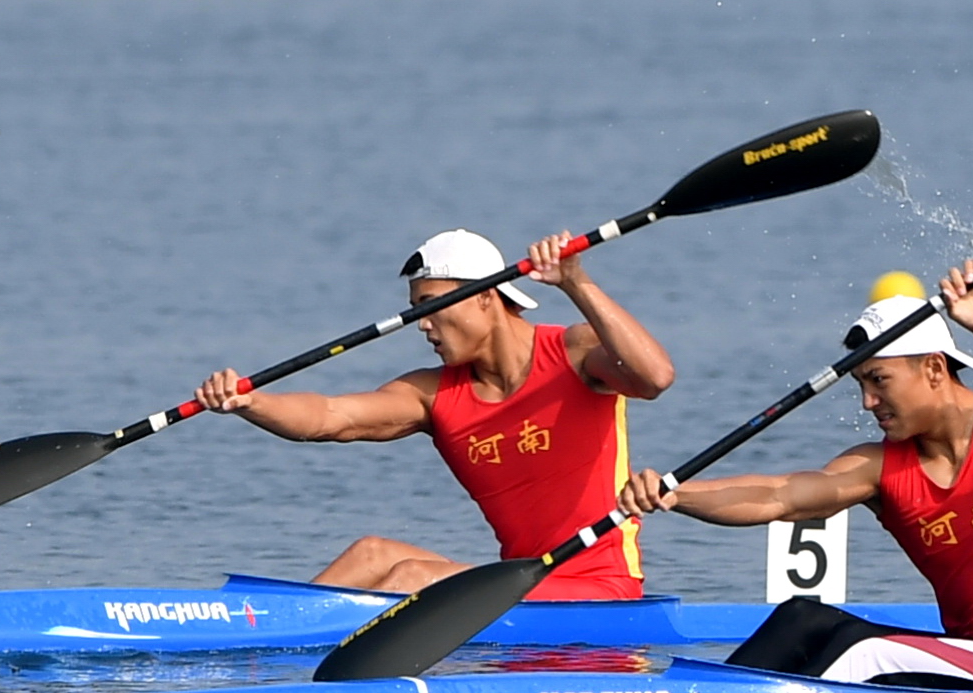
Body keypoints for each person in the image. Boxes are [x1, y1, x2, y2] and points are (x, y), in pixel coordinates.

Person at [613, 270, 973, 688]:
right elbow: (780, 497)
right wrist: (674, 494)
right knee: (803, 619)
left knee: (868, 653)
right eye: (861, 384)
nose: (867, 402)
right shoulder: (880, 467)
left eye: (879, 381)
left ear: (935, 368)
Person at [197, 230, 675, 597]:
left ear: (487, 296)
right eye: (415, 310)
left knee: (411, 576)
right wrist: (251, 401)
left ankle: (334, 677)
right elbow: (329, 416)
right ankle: (270, 639)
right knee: (371, 554)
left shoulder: (573, 352)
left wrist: (576, 281)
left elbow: (654, 377)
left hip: (600, 589)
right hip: (519, 585)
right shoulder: (434, 394)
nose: (422, 324)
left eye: (431, 306)